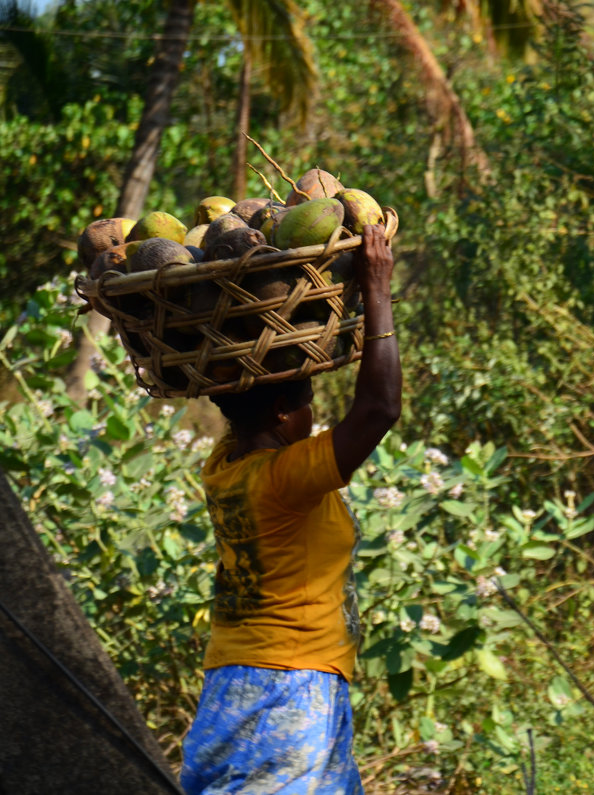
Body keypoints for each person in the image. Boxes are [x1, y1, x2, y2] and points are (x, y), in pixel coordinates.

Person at [180, 224, 401, 795]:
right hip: (287, 690)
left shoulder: (225, 463)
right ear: (281, 412)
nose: (314, 419)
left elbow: (240, 397)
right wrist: (377, 289)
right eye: (306, 404)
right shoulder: (284, 480)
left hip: (233, 685)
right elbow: (378, 409)